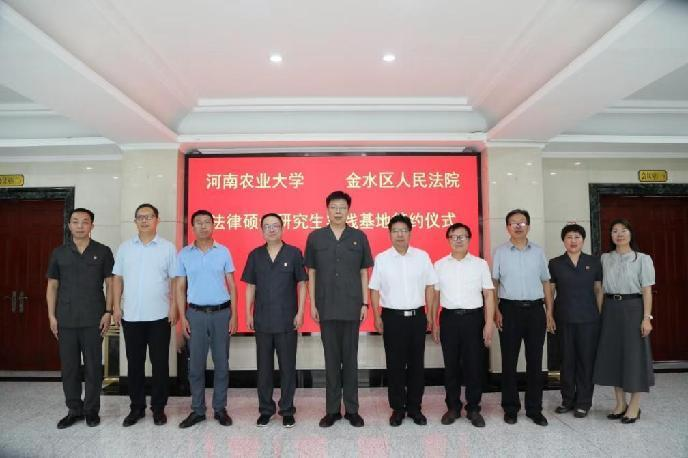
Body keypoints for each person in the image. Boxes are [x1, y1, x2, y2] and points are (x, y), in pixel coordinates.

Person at [304, 190, 374, 428]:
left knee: (350, 360)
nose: (338, 211)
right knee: (331, 360)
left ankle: (352, 410)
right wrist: (313, 303)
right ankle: (332, 410)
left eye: (342, 207)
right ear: (327, 209)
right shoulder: (315, 237)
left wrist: (364, 303)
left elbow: (364, 272)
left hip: (352, 306)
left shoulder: (359, 237)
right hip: (326, 306)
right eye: (333, 207)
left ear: (348, 210)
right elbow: (312, 273)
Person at [46, 208, 114, 429]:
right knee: (70, 368)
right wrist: (51, 316)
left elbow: (110, 283)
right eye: (75, 221)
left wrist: (108, 311)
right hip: (66, 319)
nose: (80, 226)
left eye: (85, 222)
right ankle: (74, 410)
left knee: (93, 367)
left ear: (92, 226)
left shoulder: (103, 251)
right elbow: (52, 286)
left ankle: (91, 411)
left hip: (94, 318)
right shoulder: (59, 253)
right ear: (69, 225)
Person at [112, 203, 177, 427]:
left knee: (159, 364)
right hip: (131, 316)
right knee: (134, 364)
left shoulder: (167, 248)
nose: (144, 220)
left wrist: (174, 307)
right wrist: (116, 306)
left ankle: (158, 408)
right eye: (140, 217)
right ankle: (136, 408)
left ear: (157, 220)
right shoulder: (125, 248)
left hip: (160, 316)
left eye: (149, 217)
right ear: (135, 221)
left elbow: (175, 280)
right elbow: (117, 278)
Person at [369, 214, 437, 427]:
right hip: (392, 318)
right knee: (395, 365)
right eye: (395, 231)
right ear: (389, 234)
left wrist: (430, 314)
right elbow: (374, 289)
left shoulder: (422, 257)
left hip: (417, 317)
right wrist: (377, 316)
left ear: (410, 233)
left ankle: (415, 407)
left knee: (417, 364)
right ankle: (398, 409)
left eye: (403, 230)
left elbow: (430, 286)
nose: (400, 234)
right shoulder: (382, 259)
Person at [242, 213, 307, 428]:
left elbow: (302, 284)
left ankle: (287, 409)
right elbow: (250, 286)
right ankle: (266, 410)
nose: (271, 229)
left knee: (288, 367)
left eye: (275, 226)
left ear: (282, 228)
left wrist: (300, 312)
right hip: (262, 320)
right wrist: (248, 313)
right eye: (267, 226)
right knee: (264, 369)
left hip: (287, 320)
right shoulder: (255, 255)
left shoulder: (294, 253)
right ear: (262, 230)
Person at [176, 209, 238, 428]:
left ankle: (220, 409)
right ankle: (198, 410)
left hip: (221, 314)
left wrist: (234, 315)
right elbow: (180, 287)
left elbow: (232, 285)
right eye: (198, 222)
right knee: (195, 366)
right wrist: (182, 317)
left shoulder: (223, 251)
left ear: (213, 225)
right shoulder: (184, 254)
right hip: (195, 315)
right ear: (192, 227)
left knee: (221, 363)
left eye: (207, 222)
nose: (203, 226)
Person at [492, 209, 554, 426]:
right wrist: (496, 310)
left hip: (536, 310)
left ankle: (534, 409)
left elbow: (546, 282)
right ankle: (510, 408)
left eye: (522, 222)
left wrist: (549, 312)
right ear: (507, 227)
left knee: (535, 362)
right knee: (508, 361)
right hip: (509, 310)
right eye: (513, 223)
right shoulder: (500, 252)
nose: (518, 226)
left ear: (528, 226)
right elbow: (494, 283)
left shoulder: (538, 252)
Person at [432, 222, 495, 428]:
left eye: (462, 236)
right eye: (454, 236)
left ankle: (474, 408)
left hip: (473, 319)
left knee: (474, 365)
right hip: (449, 319)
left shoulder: (480, 264)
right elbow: (435, 296)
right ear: (448, 240)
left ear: (469, 239)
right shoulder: (439, 265)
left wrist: (488, 323)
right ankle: (453, 407)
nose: (458, 240)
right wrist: (434, 322)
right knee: (451, 365)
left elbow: (488, 294)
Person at [593, 219, 655, 424]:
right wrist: (600, 314)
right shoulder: (605, 258)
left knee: (634, 357)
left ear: (631, 234)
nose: (619, 234)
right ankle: (620, 404)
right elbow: (600, 289)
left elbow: (647, 290)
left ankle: (634, 406)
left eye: (624, 230)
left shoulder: (642, 259)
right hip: (610, 309)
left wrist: (646, 318)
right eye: (615, 231)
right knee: (614, 356)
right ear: (610, 235)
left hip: (633, 308)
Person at [549, 224, 603, 418]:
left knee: (586, 361)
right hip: (564, 318)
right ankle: (567, 400)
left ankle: (583, 402)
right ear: (563, 240)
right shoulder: (555, 263)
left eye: (577, 237)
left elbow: (598, 290)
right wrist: (549, 315)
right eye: (569, 237)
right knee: (566, 361)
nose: (573, 241)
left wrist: (599, 314)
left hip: (589, 320)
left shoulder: (594, 262)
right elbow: (550, 291)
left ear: (583, 240)